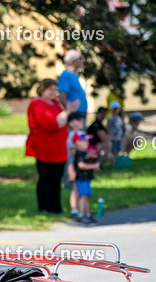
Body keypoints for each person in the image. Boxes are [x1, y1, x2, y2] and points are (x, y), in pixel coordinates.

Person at [26, 78, 76, 214]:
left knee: (56, 180)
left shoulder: (54, 103)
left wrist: (66, 114)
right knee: (46, 179)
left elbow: (62, 121)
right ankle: (45, 207)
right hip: (45, 148)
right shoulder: (37, 104)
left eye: (55, 90)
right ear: (42, 89)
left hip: (58, 148)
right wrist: (67, 112)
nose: (53, 92)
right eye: (50, 89)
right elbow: (52, 125)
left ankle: (56, 208)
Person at [72, 132, 100, 224]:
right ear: (77, 142)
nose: (87, 142)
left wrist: (93, 161)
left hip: (86, 178)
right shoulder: (79, 153)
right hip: (81, 178)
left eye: (87, 140)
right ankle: (81, 214)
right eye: (84, 140)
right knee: (83, 196)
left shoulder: (85, 153)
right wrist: (92, 166)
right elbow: (81, 165)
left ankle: (87, 214)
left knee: (86, 196)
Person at [65, 112, 87, 217]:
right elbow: (73, 151)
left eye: (81, 120)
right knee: (75, 188)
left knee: (79, 187)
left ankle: (81, 209)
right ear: (71, 123)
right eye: (78, 120)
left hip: (79, 164)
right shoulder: (72, 136)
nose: (81, 122)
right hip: (73, 164)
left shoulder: (80, 134)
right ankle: (74, 209)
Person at [57, 50, 88, 114]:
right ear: (74, 60)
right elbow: (62, 97)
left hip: (80, 114)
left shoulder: (73, 75)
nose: (83, 61)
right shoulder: (66, 75)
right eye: (80, 58)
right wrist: (70, 111)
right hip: (74, 115)